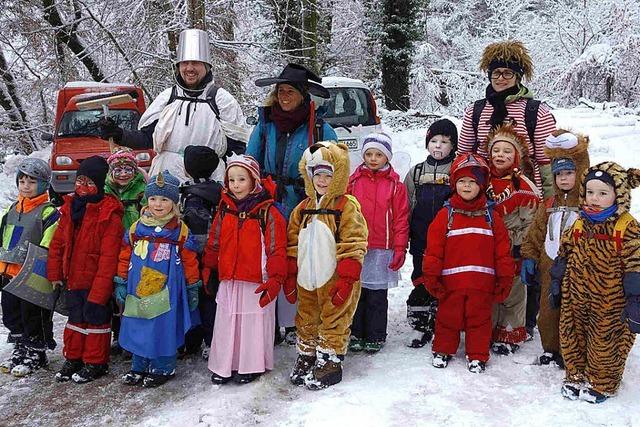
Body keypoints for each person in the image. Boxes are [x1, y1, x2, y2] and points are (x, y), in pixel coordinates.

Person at [246, 63, 337, 345]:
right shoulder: (266, 123)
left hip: (305, 205)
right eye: (281, 91)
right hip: (269, 204)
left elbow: (336, 167)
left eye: (290, 92)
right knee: (269, 262)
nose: (284, 97)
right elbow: (251, 161)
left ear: (303, 95)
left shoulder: (320, 128)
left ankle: (301, 321)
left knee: (304, 262)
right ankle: (268, 321)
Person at [99, 29, 246, 182]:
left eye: (195, 63)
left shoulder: (222, 100)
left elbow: (237, 149)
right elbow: (147, 137)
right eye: (184, 63)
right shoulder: (167, 98)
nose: (189, 68)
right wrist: (119, 134)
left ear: (206, 66)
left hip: (210, 180)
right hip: (166, 178)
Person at [551, 162, 640, 403]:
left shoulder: (626, 227)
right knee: (571, 335)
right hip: (576, 294)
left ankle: (603, 382)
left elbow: (636, 264)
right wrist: (557, 280)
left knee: (605, 341)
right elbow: (565, 251)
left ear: (618, 195)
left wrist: (635, 299)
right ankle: (575, 375)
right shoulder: (581, 222)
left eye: (603, 193)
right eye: (590, 192)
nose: (595, 199)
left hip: (610, 300)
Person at [417, 153, 514, 373]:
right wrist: (431, 277)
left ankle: (477, 355)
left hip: (482, 284)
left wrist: (505, 278)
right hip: (452, 284)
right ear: (454, 184)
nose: (467, 186)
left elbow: (502, 252)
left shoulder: (491, 217)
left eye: (472, 182)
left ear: (481, 185)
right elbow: (433, 251)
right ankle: (443, 349)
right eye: (462, 181)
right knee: (447, 318)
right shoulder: (445, 215)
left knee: (479, 321)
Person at [287, 141, 368, 390]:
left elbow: (354, 241)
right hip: (307, 277)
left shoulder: (346, 205)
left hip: (335, 277)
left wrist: (347, 277)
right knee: (306, 316)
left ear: (338, 175)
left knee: (335, 317)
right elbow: (292, 241)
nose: (322, 180)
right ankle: (307, 354)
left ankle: (330, 359)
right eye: (317, 174)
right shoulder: (303, 208)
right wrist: (291, 272)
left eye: (328, 175)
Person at [201, 154, 287, 385]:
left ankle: (251, 364)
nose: (236, 185)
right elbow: (214, 241)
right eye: (231, 180)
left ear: (253, 181)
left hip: (256, 279)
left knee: (252, 323)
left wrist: (276, 277)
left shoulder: (268, 212)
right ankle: (225, 363)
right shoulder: (224, 208)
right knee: (227, 321)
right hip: (229, 276)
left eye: (241, 179)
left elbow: (276, 247)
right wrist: (209, 267)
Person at [115, 170, 201, 388]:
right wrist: (121, 280)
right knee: (139, 322)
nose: (158, 204)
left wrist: (192, 286)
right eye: (153, 198)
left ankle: (163, 365)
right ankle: (139, 364)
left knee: (162, 325)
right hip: (138, 287)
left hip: (166, 288)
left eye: (164, 199)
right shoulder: (137, 227)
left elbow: (190, 260)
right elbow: (125, 255)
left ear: (174, 202)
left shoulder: (179, 230)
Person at [47, 156, 124, 383]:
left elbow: (109, 257)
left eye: (89, 183)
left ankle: (95, 361)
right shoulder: (70, 209)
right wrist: (55, 273)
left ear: (99, 185)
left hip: (95, 281)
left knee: (96, 321)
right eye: (79, 181)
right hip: (73, 278)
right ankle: (74, 357)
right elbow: (58, 243)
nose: (82, 187)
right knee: (75, 319)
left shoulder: (108, 214)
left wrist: (100, 292)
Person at [520, 130, 589, 366]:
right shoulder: (549, 204)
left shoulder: (588, 205)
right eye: (558, 174)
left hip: (579, 270)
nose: (563, 179)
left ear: (580, 171)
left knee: (575, 311)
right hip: (550, 268)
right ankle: (550, 347)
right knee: (549, 309)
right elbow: (536, 233)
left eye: (569, 173)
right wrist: (529, 256)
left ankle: (574, 351)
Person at [457, 40, 556, 198]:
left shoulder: (536, 112)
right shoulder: (475, 111)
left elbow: (547, 164)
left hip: (525, 195)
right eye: (496, 72)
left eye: (507, 73)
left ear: (518, 77)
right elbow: (464, 156)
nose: (501, 78)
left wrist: (551, 204)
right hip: (483, 196)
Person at [347, 132, 409, 353]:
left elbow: (401, 218)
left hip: (382, 248)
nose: (373, 159)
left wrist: (400, 247)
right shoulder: (354, 182)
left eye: (379, 154)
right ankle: (356, 332)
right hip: (357, 246)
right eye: (369, 154)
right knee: (356, 292)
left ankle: (375, 334)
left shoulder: (395, 186)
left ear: (387, 157)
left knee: (377, 295)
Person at [484, 125, 541, 356]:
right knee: (489, 288)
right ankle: (488, 329)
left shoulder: (523, 186)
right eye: (496, 150)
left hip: (511, 245)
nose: (500, 155)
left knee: (513, 291)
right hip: (486, 245)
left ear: (516, 156)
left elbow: (531, 222)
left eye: (507, 151)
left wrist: (521, 246)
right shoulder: (481, 181)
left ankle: (509, 331)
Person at [0, 158, 59, 376]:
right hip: (9, 273)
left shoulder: (48, 212)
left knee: (33, 315)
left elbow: (48, 244)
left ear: (44, 184)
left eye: (32, 182)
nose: (26, 186)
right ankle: (20, 347)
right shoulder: (11, 210)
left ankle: (36, 351)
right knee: (12, 314)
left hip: (32, 276)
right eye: (22, 181)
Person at [404, 119, 457, 348]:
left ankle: (442, 322)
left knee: (445, 280)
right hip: (420, 239)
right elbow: (405, 205)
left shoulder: (457, 170)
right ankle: (420, 324)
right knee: (421, 277)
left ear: (453, 145)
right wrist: (404, 236)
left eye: (444, 142)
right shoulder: (416, 173)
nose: (438, 146)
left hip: (448, 240)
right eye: (433, 141)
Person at [179, 145, 223, 360]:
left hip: (199, 257)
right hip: (216, 254)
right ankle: (207, 338)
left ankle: (202, 340)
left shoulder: (193, 196)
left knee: (200, 299)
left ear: (188, 169)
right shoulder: (217, 190)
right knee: (210, 299)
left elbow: (196, 232)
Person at [104, 148, 147, 356]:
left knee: (134, 292)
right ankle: (118, 335)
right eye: (118, 170)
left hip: (136, 247)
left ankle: (134, 337)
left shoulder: (141, 191)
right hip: (111, 246)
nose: (122, 174)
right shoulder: (106, 191)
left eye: (127, 169)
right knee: (114, 295)